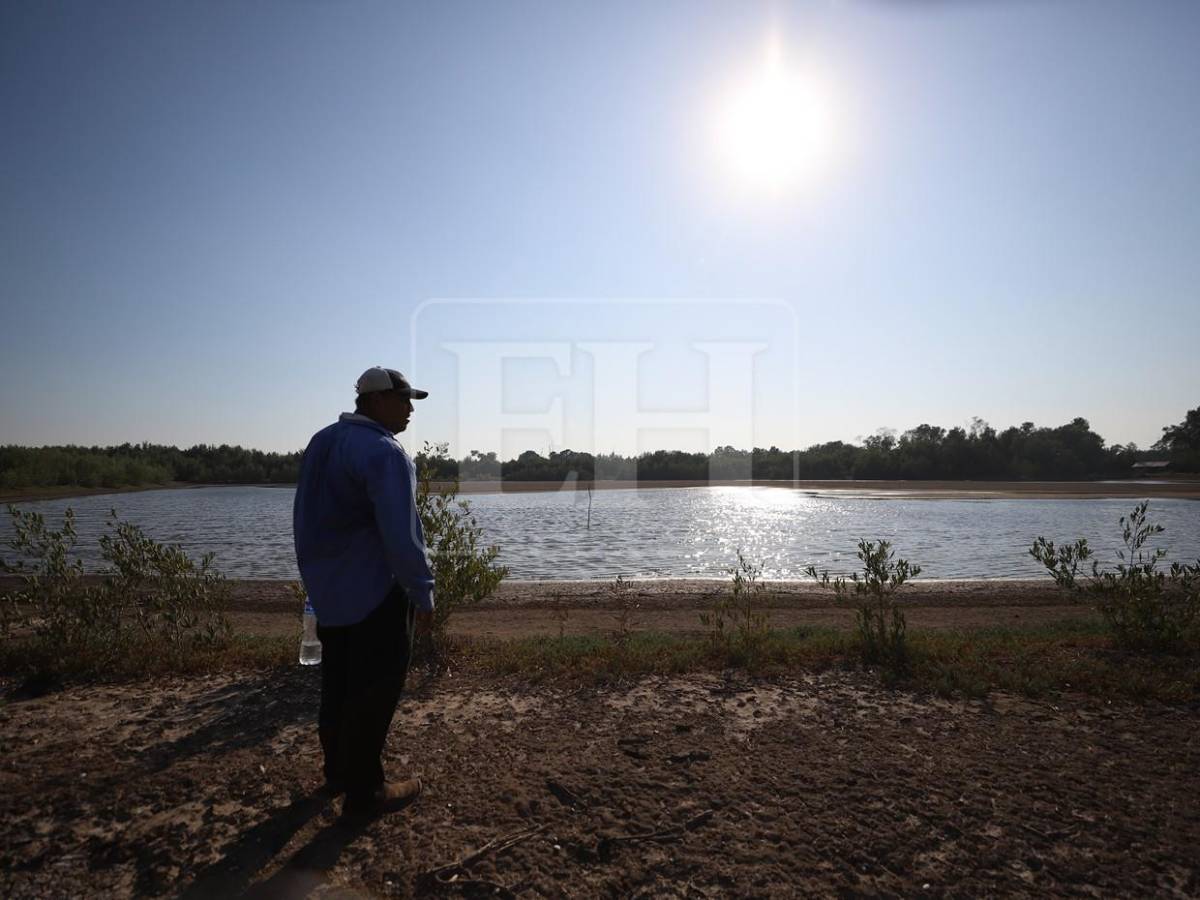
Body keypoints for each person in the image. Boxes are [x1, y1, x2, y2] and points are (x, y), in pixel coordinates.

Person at [293, 366, 435, 820]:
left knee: (338, 686)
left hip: (329, 594)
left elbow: (304, 518)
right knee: (374, 692)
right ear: (375, 400)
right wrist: (423, 591)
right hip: (376, 594)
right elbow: (403, 535)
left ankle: (338, 773)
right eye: (403, 399)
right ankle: (366, 794)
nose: (410, 409)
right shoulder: (385, 451)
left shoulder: (322, 441)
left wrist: (316, 580)